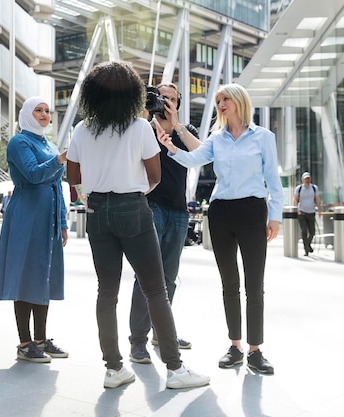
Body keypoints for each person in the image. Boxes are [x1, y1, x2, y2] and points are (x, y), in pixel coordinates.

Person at [66, 61, 209, 390]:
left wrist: (98, 182)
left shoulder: (82, 128)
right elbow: (154, 176)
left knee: (107, 292)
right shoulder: (140, 127)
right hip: (133, 207)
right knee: (155, 289)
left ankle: (114, 368)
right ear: (133, 92)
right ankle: (175, 370)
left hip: (97, 212)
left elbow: (73, 178)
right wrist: (132, 190)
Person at [158, 83, 283, 375]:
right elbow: (194, 159)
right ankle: (235, 346)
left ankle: (255, 350)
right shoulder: (217, 139)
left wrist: (274, 216)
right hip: (221, 213)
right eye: (218, 100)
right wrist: (170, 146)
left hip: (253, 211)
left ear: (239, 101)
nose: (221, 104)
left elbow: (273, 182)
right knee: (229, 284)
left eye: (225, 98)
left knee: (255, 285)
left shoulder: (264, 137)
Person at [0, 96, 69, 364]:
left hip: (48, 217)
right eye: (38, 110)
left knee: (43, 275)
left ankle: (40, 339)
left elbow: (57, 185)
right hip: (27, 215)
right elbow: (34, 174)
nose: (45, 115)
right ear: (27, 114)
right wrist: (59, 159)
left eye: (47, 111)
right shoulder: (19, 142)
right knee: (26, 276)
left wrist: (63, 222)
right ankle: (24, 343)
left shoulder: (48, 143)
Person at [128, 82, 201, 364]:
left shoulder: (186, 132)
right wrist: (146, 115)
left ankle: (162, 332)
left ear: (178, 103)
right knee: (146, 276)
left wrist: (177, 124)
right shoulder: (143, 127)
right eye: (162, 98)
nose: (167, 103)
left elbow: (198, 156)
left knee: (169, 277)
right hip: (150, 207)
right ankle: (138, 340)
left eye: (172, 99)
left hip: (179, 212)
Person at [293, 172, 322, 256]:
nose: (307, 180)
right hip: (302, 212)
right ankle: (306, 249)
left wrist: (319, 210)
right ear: (302, 179)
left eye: (308, 178)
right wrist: (297, 209)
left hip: (311, 211)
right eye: (305, 179)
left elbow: (317, 199)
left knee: (312, 232)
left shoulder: (314, 188)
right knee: (304, 230)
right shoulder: (299, 188)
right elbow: (295, 199)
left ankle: (308, 244)